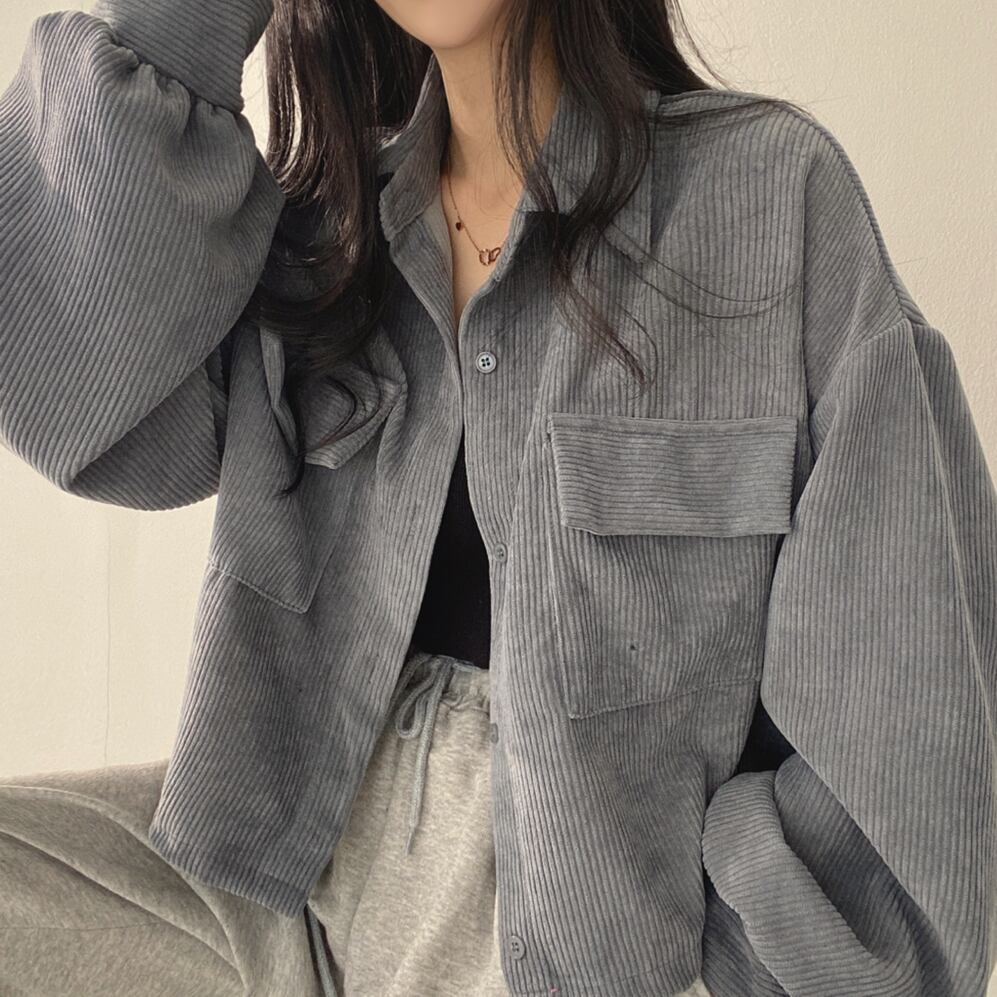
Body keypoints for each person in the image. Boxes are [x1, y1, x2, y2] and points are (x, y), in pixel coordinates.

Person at [1, 0, 995, 995]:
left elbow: (909, 685)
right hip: (294, 898)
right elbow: (79, 398)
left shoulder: (768, 194)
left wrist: (734, 967)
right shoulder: (329, 236)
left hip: (583, 945)